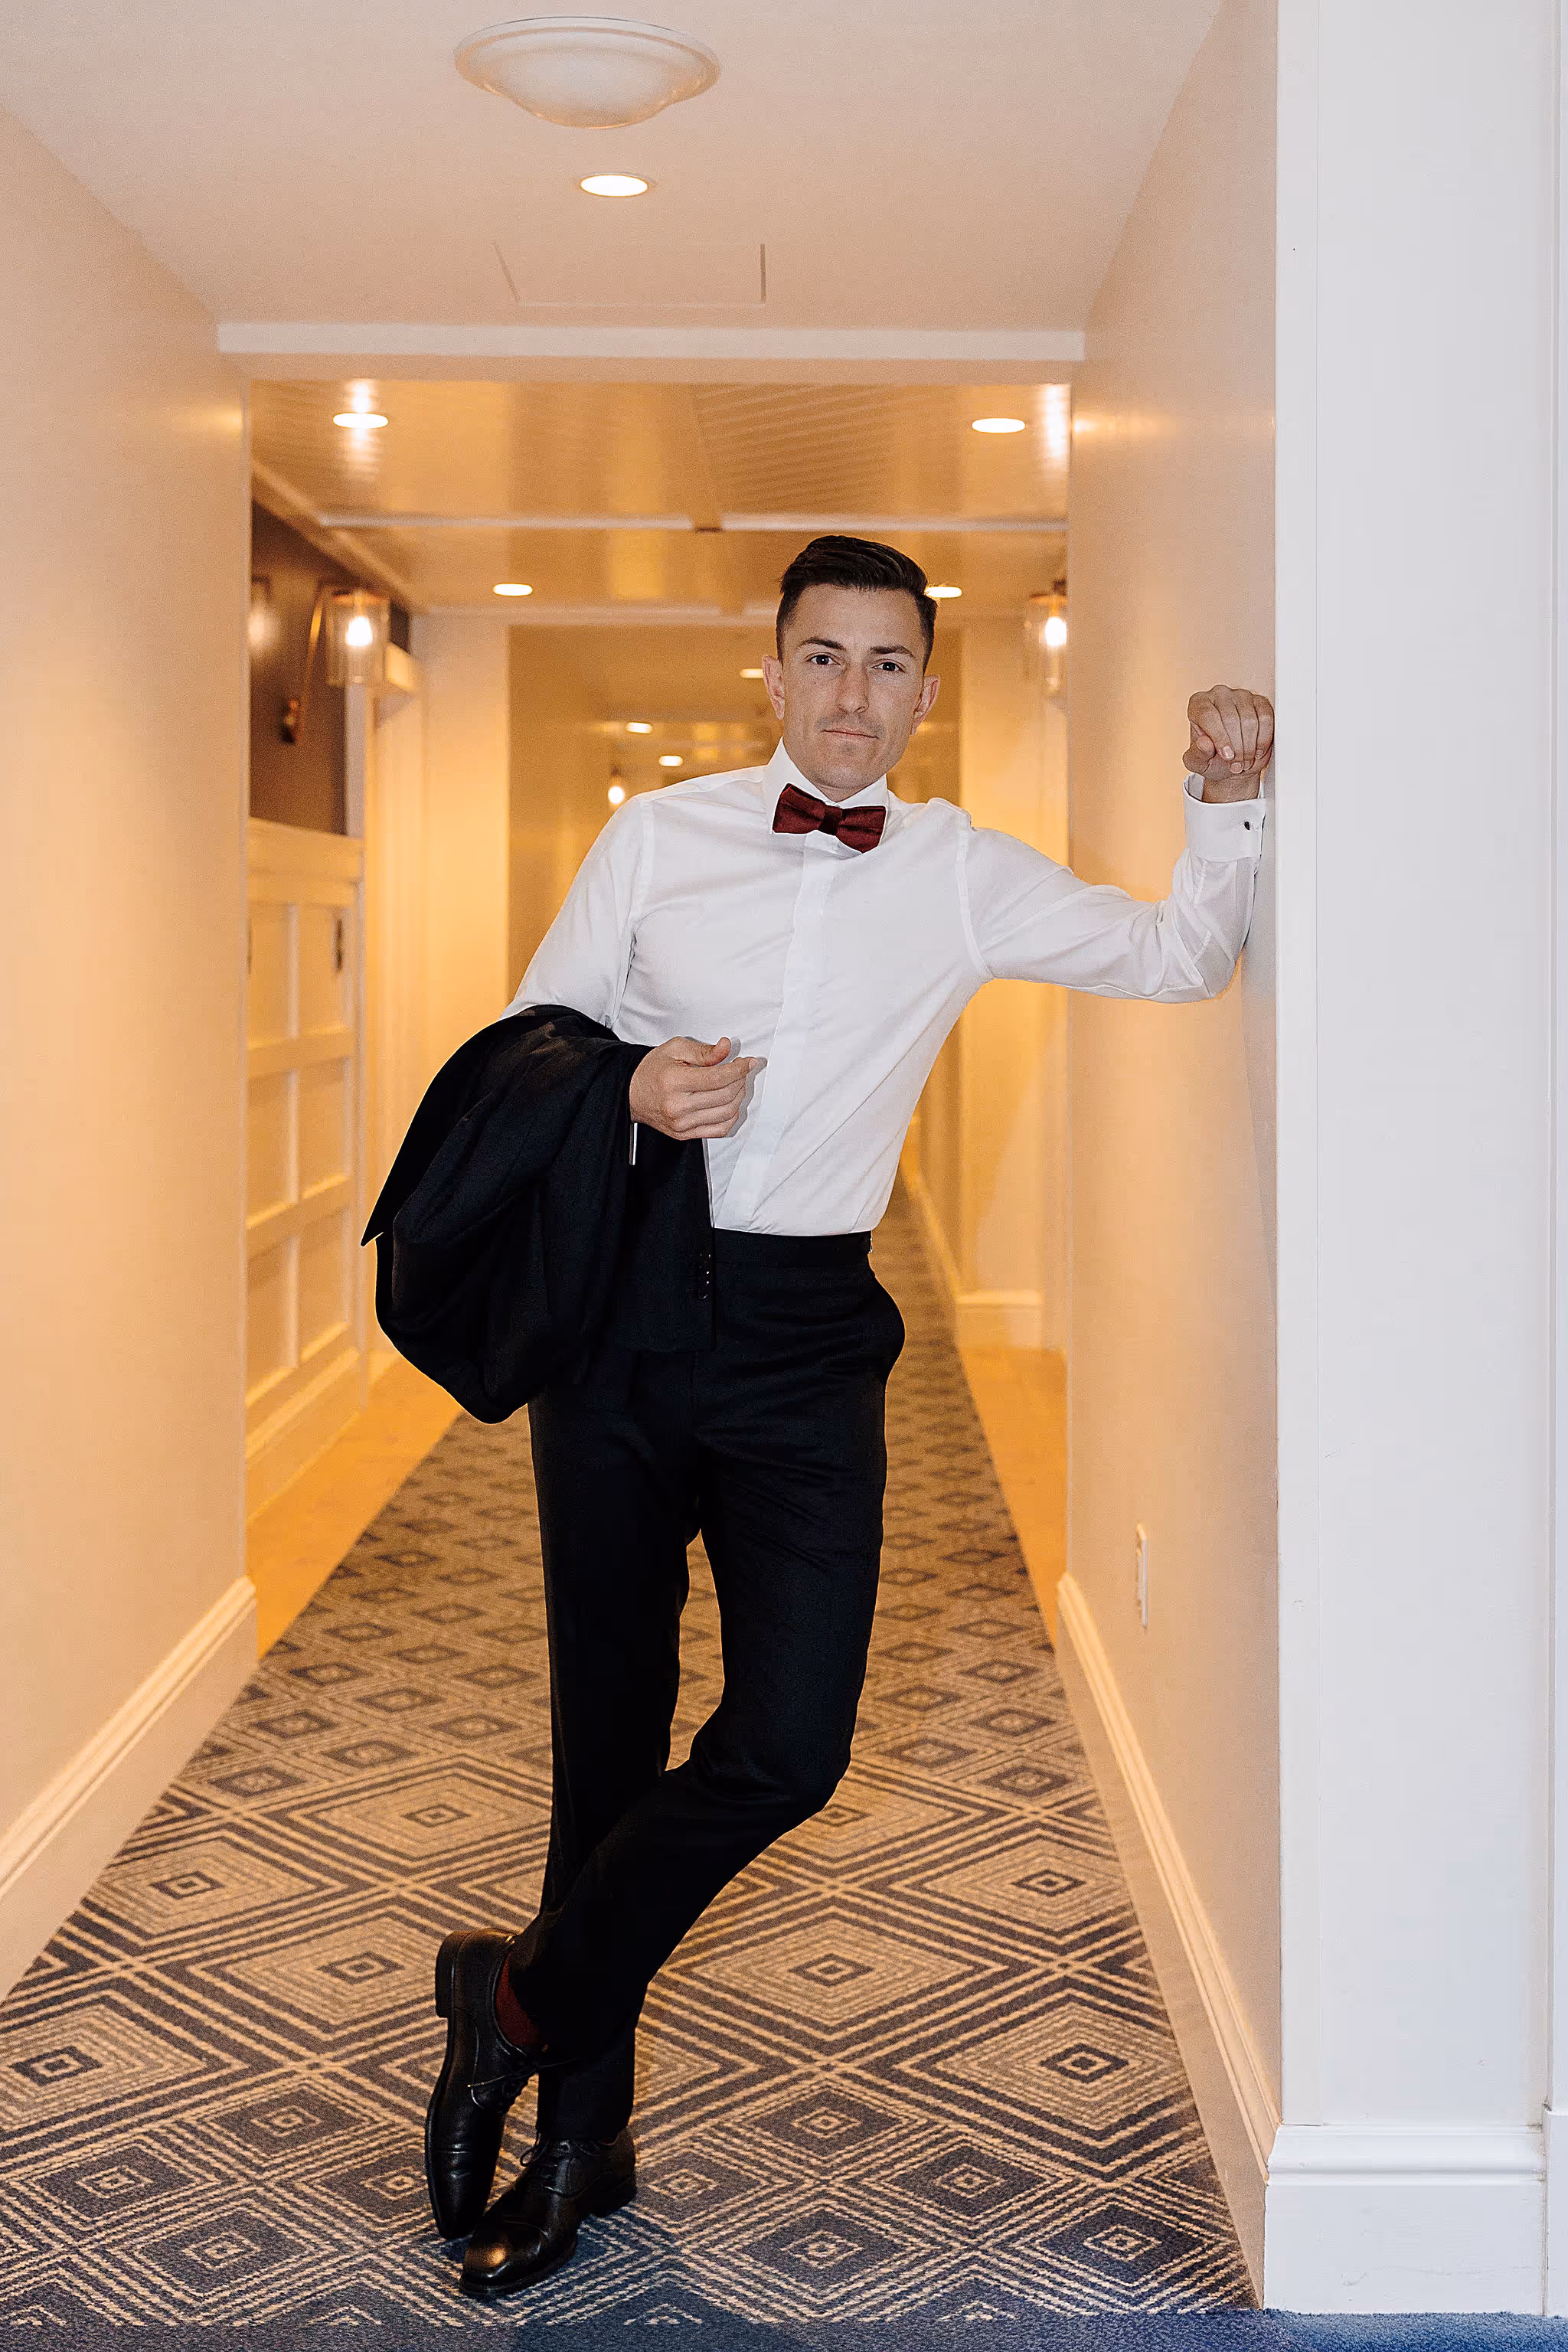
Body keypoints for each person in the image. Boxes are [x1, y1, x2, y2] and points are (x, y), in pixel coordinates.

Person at [424, 534, 1272, 2301]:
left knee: (791, 1739)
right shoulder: (659, 836)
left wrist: (1227, 797)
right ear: (774, 667)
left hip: (813, 1333)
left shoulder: (959, 871)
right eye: (822, 660)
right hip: (624, 1322)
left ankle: (509, 1996)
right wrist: (632, 1087)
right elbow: (527, 1036)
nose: (851, 701)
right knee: (610, 1737)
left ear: (926, 691)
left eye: (889, 667)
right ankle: (586, 2143)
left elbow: (1179, 954)